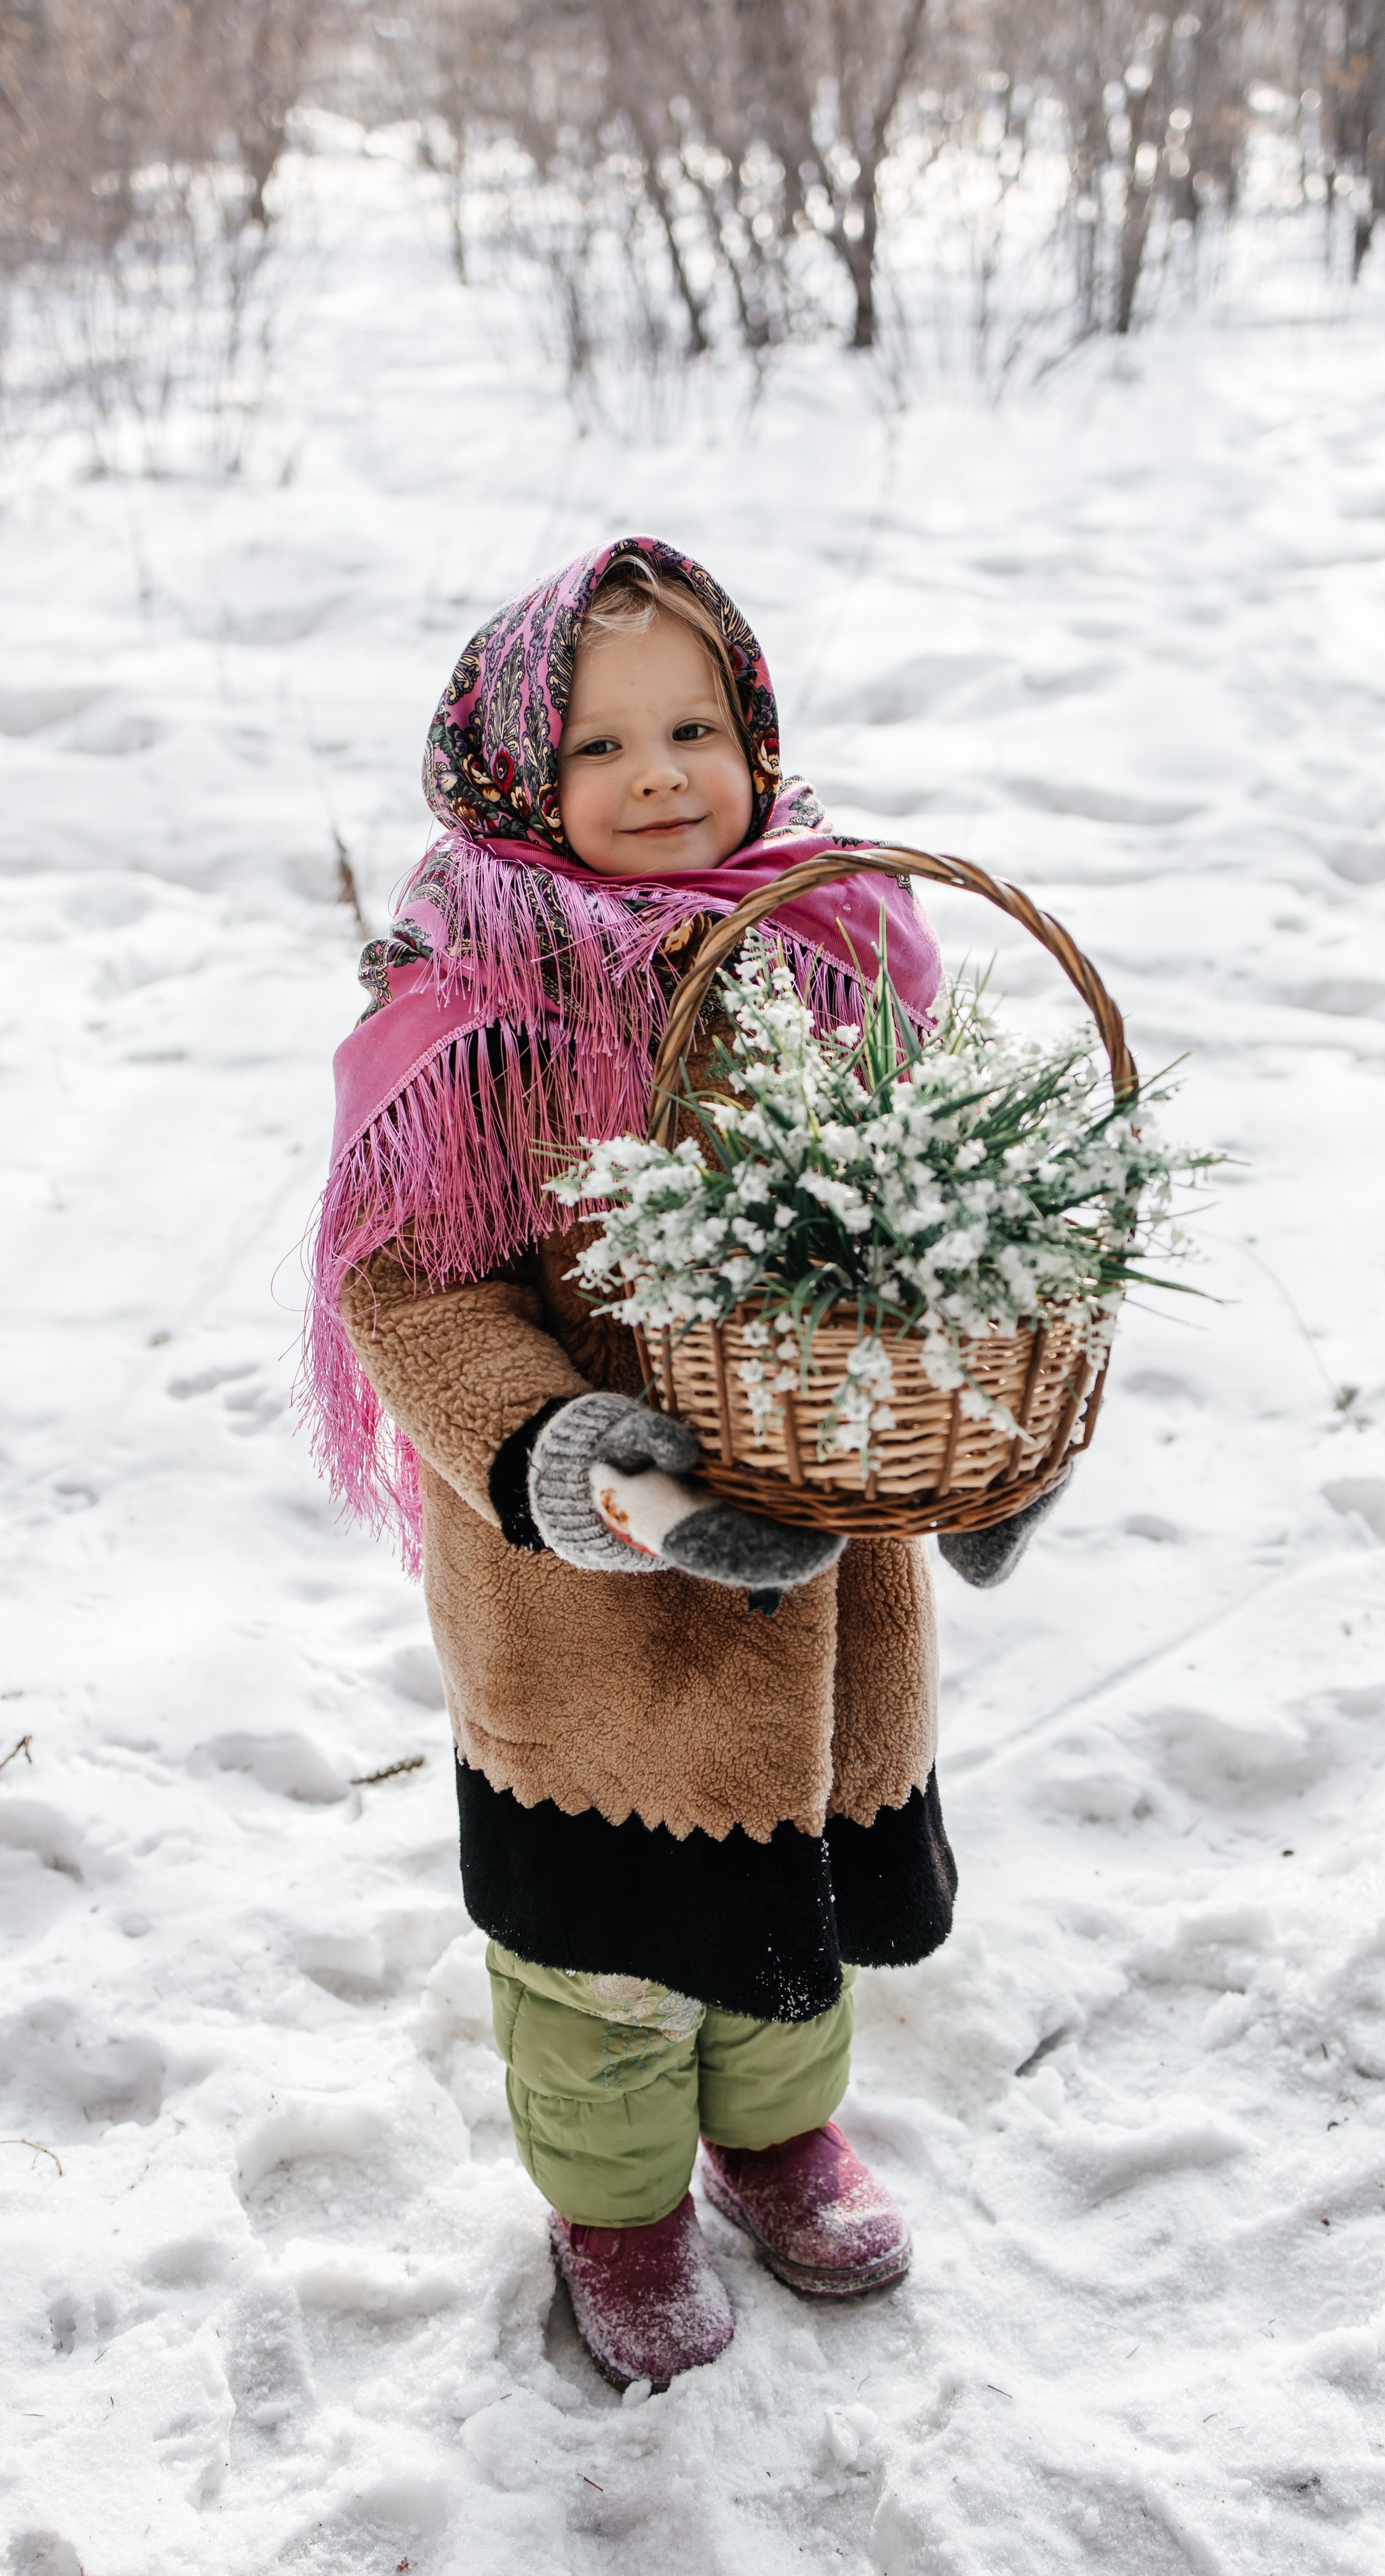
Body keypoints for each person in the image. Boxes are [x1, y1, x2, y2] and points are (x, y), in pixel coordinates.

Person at [302, 538, 1061, 2390]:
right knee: (605, 1969)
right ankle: (619, 2206)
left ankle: (779, 2139)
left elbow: (921, 1225)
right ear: (508, 771)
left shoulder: (839, 944)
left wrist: (971, 1427)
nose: (659, 775)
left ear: (758, 735)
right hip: (593, 1611)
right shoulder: (470, 1018)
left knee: (795, 1909)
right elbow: (411, 1294)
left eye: (696, 727)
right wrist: (568, 1453)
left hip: (819, 1568)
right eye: (599, 745)